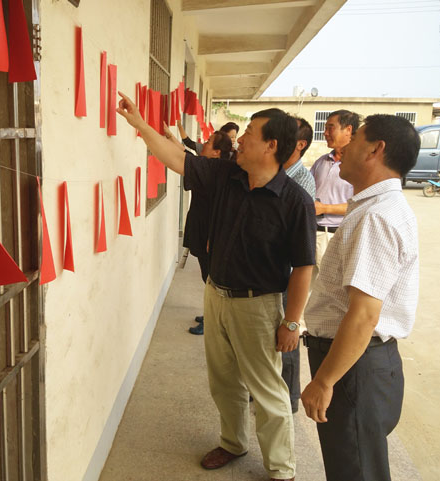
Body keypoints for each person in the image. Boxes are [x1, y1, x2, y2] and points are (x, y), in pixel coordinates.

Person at [117, 92, 315, 481]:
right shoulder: (227, 176)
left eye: (250, 133)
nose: (241, 139)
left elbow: (303, 267)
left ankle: (281, 469)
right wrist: (139, 124)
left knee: (267, 391)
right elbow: (177, 159)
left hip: (259, 306)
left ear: (271, 146)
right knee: (223, 381)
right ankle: (233, 442)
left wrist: (292, 322)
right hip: (216, 294)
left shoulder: (295, 201)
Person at [301, 115, 421, 481]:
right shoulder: (377, 207)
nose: (343, 148)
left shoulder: (376, 216)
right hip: (361, 363)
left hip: (355, 368)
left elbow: (364, 315)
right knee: (354, 466)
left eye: (354, 141)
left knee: (356, 471)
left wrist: (324, 381)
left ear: (375, 150)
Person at [165, 126, 233, 335]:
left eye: (209, 142)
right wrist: (170, 136)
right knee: (207, 276)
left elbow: (183, 158)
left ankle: (213, 320)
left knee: (211, 278)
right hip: (201, 228)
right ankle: (210, 314)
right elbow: (185, 155)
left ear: (217, 152)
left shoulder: (215, 173)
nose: (203, 145)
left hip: (208, 233)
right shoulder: (208, 167)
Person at [281, 116, 315, 413]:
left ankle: (290, 396)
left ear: (300, 144)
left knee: (287, 335)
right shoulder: (274, 171)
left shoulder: (302, 180)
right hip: (267, 272)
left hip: (288, 273)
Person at [310, 110, 359, 281]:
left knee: (331, 288)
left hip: (335, 236)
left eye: (330, 128)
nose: (325, 133)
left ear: (348, 130)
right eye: (325, 128)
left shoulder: (358, 165)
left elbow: (360, 204)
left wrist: (325, 208)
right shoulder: (321, 162)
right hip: (312, 233)